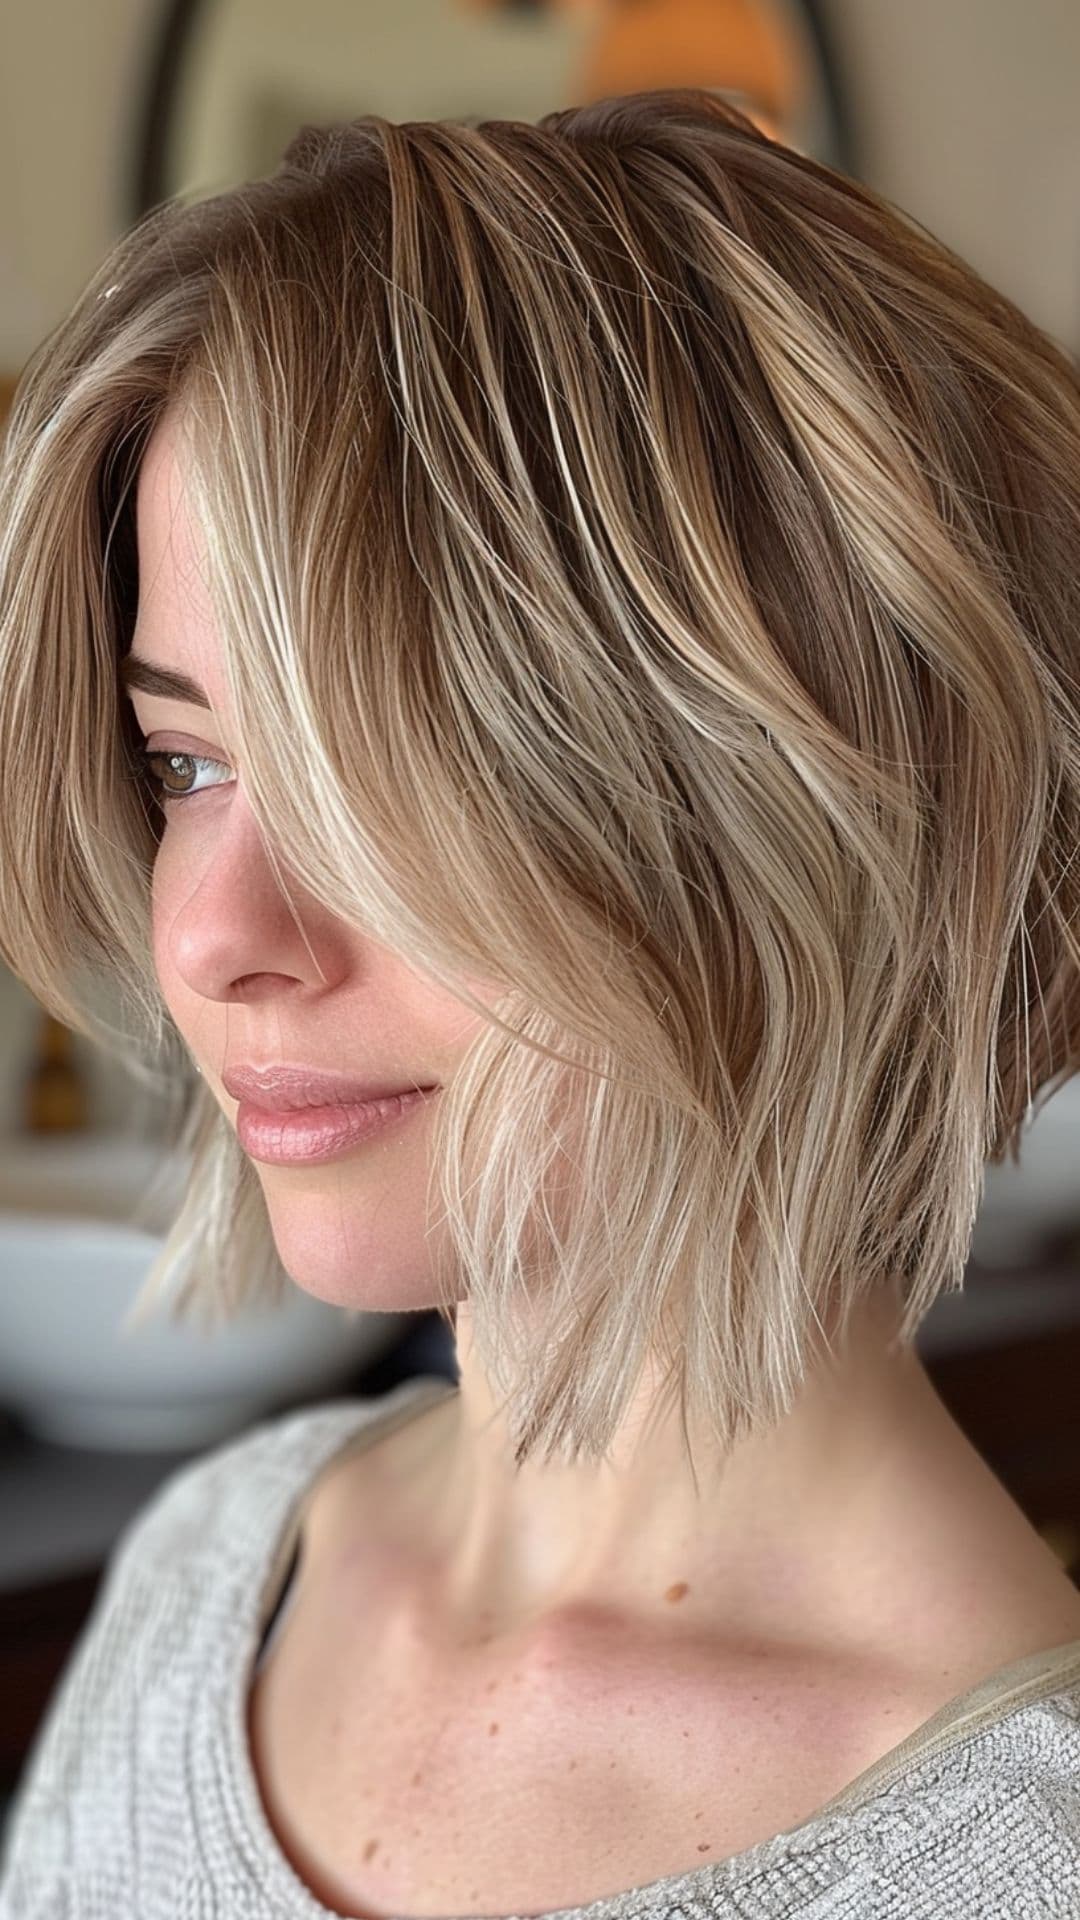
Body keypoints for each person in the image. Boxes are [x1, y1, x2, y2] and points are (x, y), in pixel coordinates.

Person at [1, 86, 1079, 1920]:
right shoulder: (217, 1572)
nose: (210, 939)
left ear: (790, 825)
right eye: (187, 763)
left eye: (385, 783)